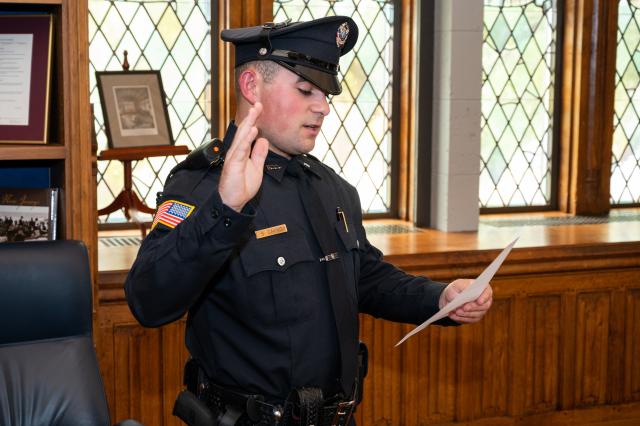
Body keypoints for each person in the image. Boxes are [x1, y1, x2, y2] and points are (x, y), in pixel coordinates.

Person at [125, 16, 493, 426]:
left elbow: (365, 277)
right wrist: (225, 210)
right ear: (251, 87)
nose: (322, 106)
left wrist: (439, 299)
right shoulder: (200, 186)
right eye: (305, 90)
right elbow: (148, 300)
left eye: (325, 93)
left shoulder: (327, 187)